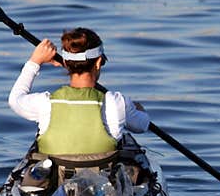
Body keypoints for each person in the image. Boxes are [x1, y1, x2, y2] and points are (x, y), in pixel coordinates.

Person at [8, 28, 150, 157]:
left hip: (57, 180)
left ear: (64, 62)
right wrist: (137, 108)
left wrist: (35, 61)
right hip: (103, 180)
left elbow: (14, 100)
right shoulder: (116, 102)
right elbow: (142, 125)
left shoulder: (45, 103)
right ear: (99, 62)